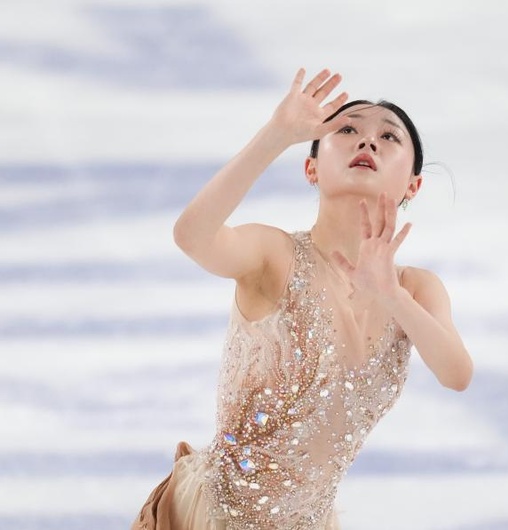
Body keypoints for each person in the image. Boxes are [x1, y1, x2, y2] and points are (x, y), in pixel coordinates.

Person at [131, 68, 473, 530]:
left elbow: (456, 373)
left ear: (412, 185)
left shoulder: (415, 288)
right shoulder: (275, 257)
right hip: (213, 518)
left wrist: (391, 295)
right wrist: (276, 135)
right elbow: (192, 236)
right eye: (347, 129)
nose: (367, 142)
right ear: (311, 167)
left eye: (388, 136)